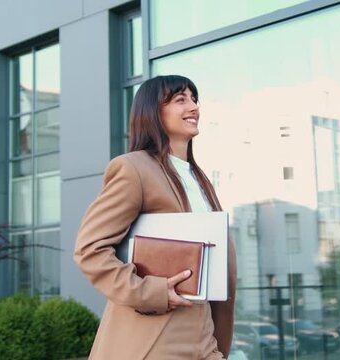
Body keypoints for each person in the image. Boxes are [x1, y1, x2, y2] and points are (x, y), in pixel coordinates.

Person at [74, 75, 237, 359]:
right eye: (180, 99)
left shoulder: (200, 179)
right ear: (153, 112)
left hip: (204, 332)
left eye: (194, 99)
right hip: (158, 334)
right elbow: (90, 250)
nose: (194, 107)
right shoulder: (134, 168)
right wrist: (151, 292)